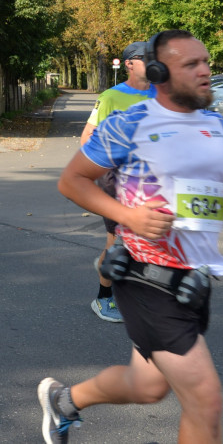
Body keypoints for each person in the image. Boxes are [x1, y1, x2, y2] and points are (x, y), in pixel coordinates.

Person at [40, 29, 223, 444]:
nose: (206, 72)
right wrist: (128, 216)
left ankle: (63, 401)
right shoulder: (130, 123)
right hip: (146, 274)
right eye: (192, 65)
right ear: (161, 73)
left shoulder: (215, 123)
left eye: (207, 63)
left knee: (146, 386)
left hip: (194, 277)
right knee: (206, 402)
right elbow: (72, 181)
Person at [79, 41, 156, 323]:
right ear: (129, 64)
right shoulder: (111, 97)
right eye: (146, 58)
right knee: (117, 240)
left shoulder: (161, 95)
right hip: (118, 179)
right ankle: (103, 298)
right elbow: (87, 138)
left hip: (151, 180)